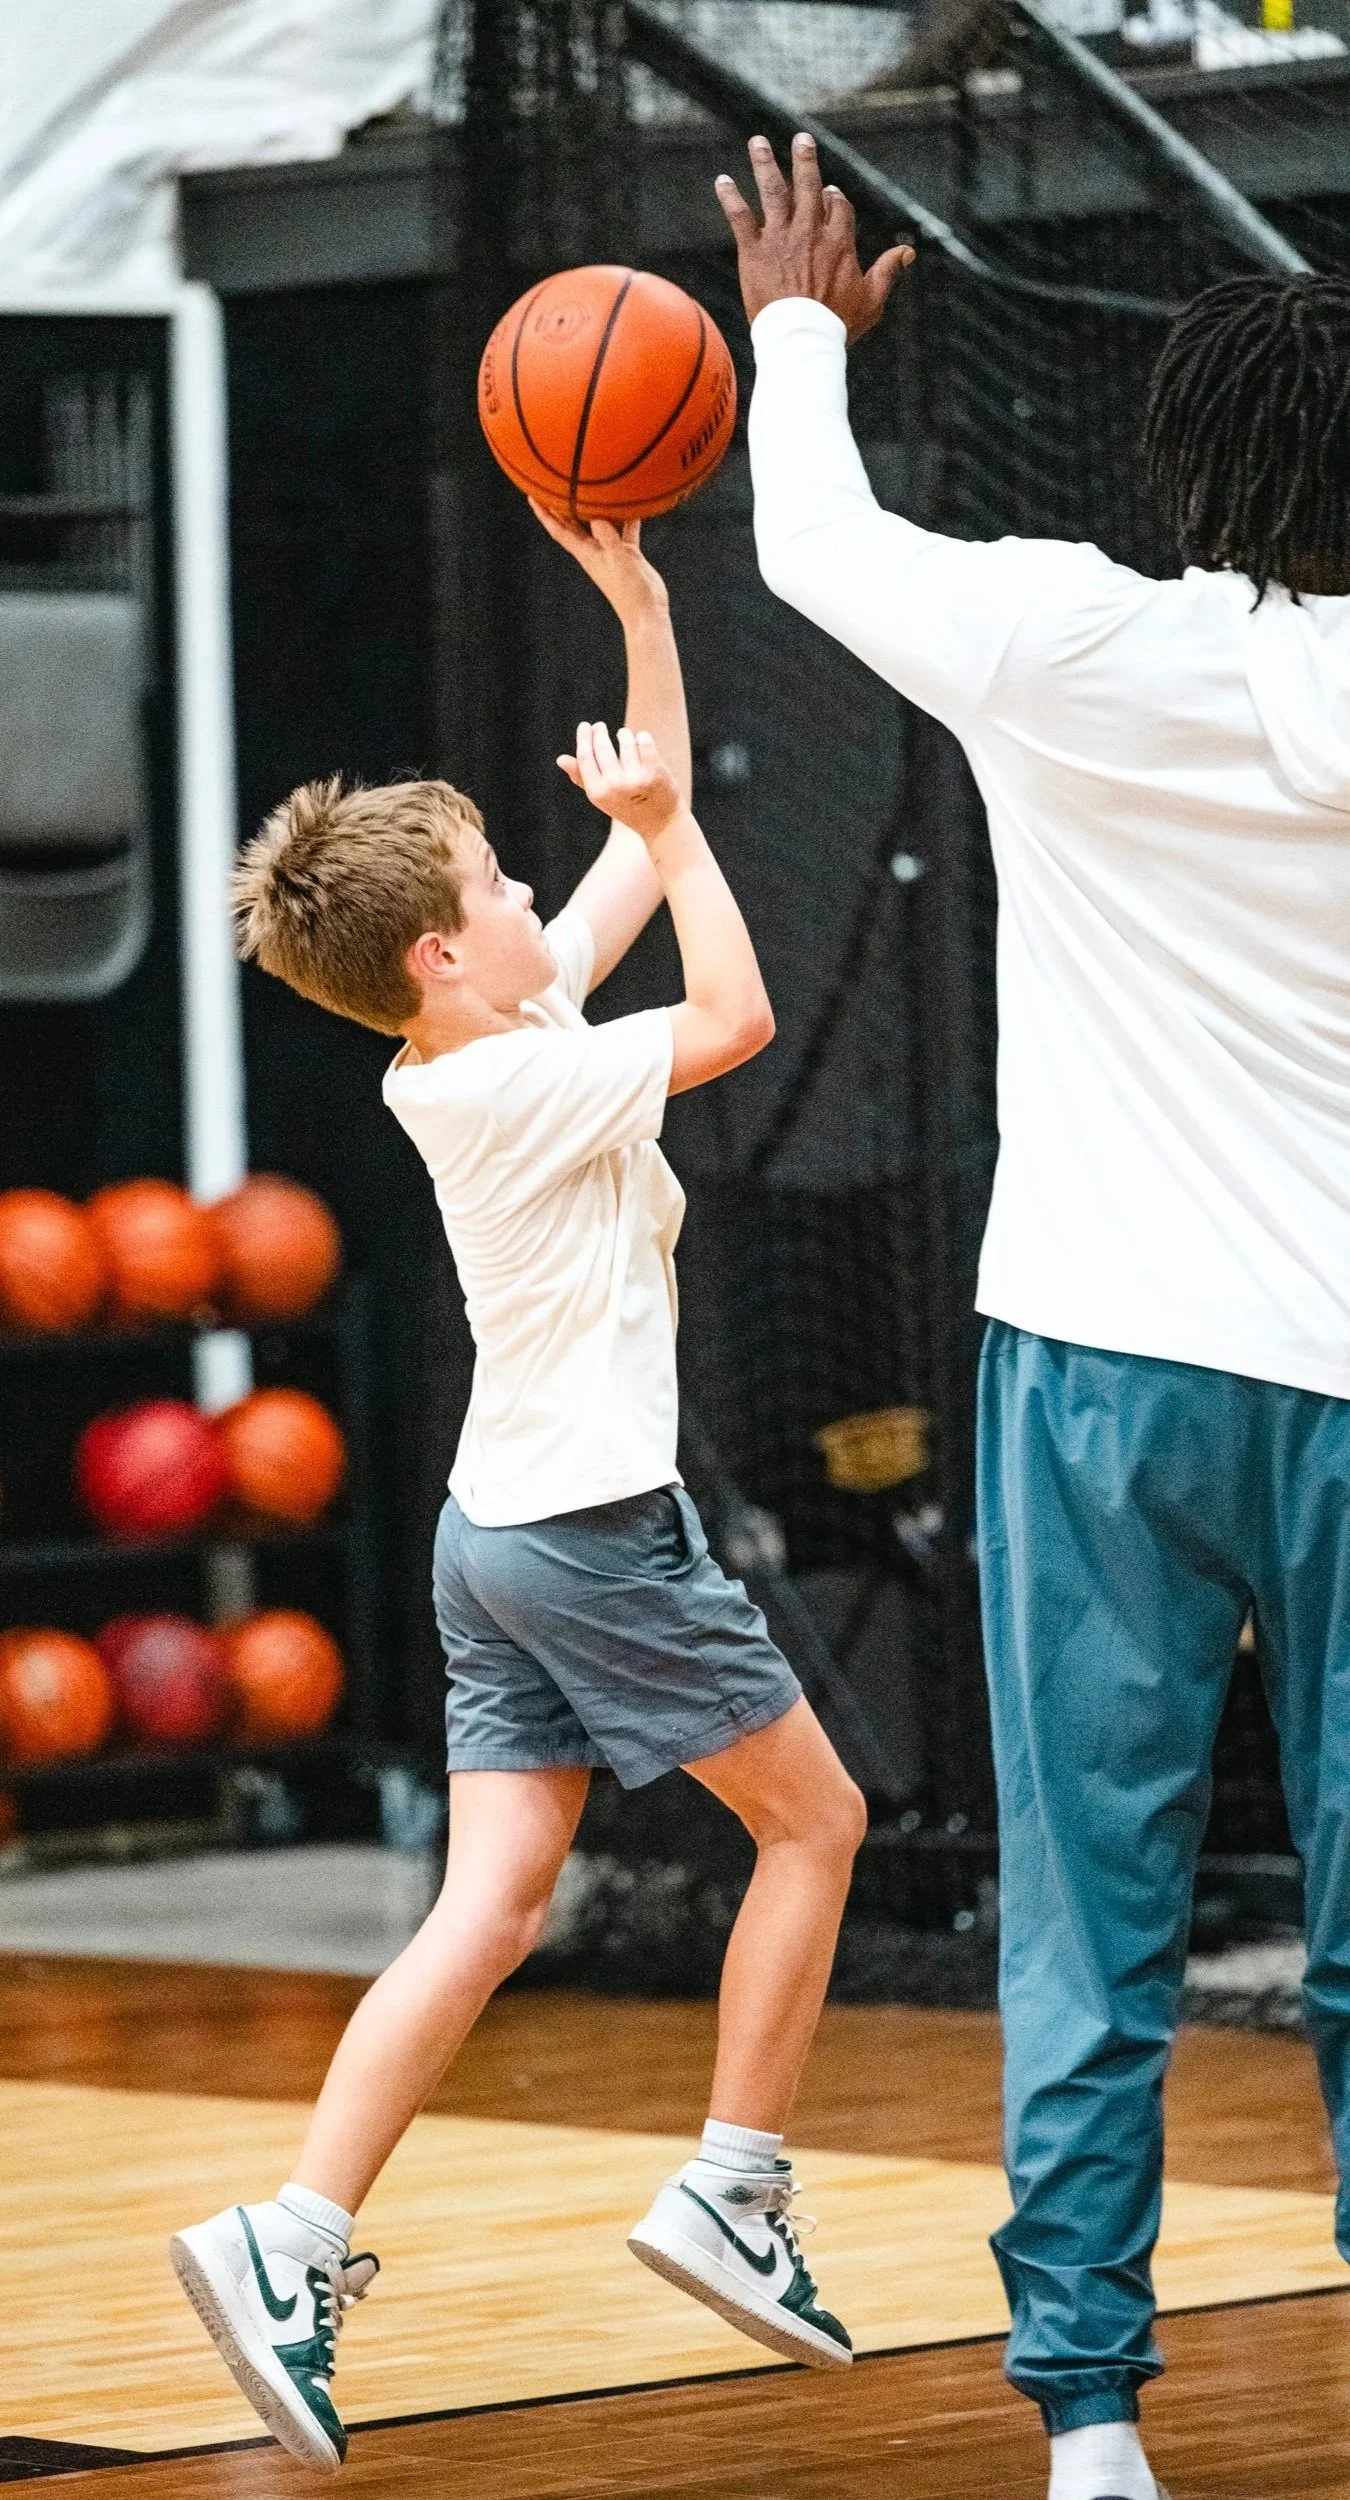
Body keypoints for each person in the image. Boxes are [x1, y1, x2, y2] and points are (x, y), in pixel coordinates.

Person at [716, 131, 1350, 2500]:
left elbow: (809, 545)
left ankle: (1093, 2429)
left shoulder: (1081, 640)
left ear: (1182, 467)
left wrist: (799, 324)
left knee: (1095, 1914)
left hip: (1098, 1363)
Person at [169, 503, 866, 2471]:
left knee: (488, 1905)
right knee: (819, 1824)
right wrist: (672, 831)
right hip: (583, 1532)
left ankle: (289, 2235)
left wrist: (640, 607)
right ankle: (735, 2183)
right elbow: (734, 1015)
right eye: (493, 875)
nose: (520, 888)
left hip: (498, 1538)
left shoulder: (485, 1025)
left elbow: (611, 910)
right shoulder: (504, 1074)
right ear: (433, 949)